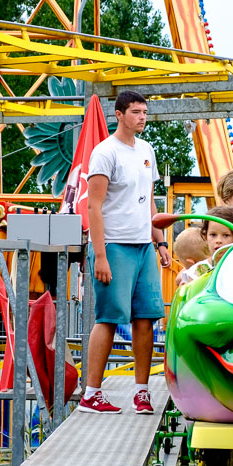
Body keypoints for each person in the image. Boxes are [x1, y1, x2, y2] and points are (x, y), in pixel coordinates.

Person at [79, 91, 171, 414]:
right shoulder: (104, 153)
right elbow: (94, 205)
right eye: (135, 111)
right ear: (119, 114)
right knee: (108, 317)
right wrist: (100, 255)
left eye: (145, 111)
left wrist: (159, 242)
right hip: (114, 245)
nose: (142, 117)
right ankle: (91, 392)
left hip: (143, 245)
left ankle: (142, 392)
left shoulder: (147, 150)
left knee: (147, 318)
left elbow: (150, 201)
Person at [177, 205, 233, 285]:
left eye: (225, 235)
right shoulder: (196, 272)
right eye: (213, 235)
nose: (218, 241)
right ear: (205, 236)